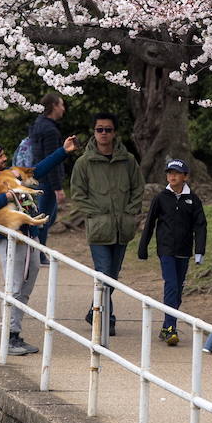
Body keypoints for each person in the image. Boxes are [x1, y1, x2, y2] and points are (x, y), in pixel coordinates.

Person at [0, 120, 77, 356]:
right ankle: (8, 336)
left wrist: (63, 152)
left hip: (30, 235)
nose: (5, 159)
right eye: (0, 157)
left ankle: (15, 333)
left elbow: (37, 171)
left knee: (26, 284)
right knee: (14, 285)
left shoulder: (11, 174)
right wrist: (6, 196)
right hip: (9, 238)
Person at [71, 112, 144, 337]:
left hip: (123, 228)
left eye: (108, 130)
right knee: (103, 273)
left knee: (113, 275)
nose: (103, 134)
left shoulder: (128, 160)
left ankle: (94, 311)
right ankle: (106, 318)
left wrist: (130, 213)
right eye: (99, 129)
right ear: (94, 132)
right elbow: (77, 194)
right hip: (99, 230)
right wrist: (96, 214)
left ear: (115, 133)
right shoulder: (83, 162)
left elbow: (137, 189)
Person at [137, 158, 208, 346]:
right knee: (171, 285)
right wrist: (143, 248)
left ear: (185, 176)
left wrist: (199, 251)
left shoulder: (193, 199)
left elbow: (200, 226)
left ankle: (166, 326)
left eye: (176, 173)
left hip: (184, 250)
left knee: (178, 290)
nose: (172, 176)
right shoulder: (161, 198)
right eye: (169, 173)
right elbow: (150, 223)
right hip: (166, 250)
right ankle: (170, 328)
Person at [28, 92, 67, 263]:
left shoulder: (38, 124)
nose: (63, 108)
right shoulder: (50, 130)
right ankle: (38, 253)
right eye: (61, 105)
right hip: (46, 181)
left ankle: (37, 250)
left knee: (43, 216)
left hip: (36, 177)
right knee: (44, 218)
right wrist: (58, 187)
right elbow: (52, 160)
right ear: (54, 106)